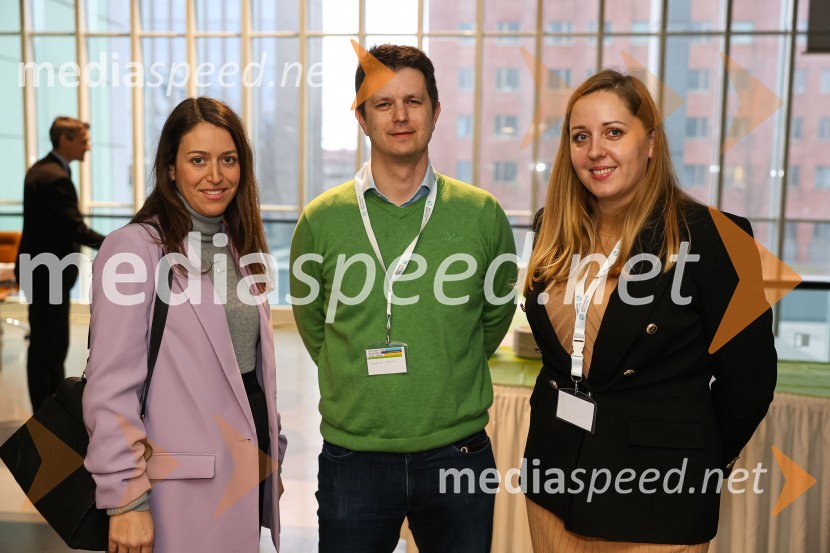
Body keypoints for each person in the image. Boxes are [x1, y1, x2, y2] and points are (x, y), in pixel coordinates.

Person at [522, 69, 777, 551]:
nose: (595, 149)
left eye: (614, 132)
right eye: (581, 136)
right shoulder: (550, 227)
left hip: (657, 500)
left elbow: (751, 381)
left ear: (652, 143)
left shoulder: (721, 238)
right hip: (554, 484)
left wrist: (696, 463)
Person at [289, 44, 518, 552]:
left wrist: (448, 363)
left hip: (458, 452)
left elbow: (496, 310)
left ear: (436, 112)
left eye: (413, 101)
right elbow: (313, 321)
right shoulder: (321, 219)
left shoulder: (482, 215)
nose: (399, 116)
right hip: (355, 455)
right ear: (362, 118)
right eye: (382, 103)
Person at [83, 97, 286, 553]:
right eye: (198, 160)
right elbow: (110, 387)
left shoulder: (239, 246)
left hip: (243, 478)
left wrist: (274, 449)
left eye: (228, 160)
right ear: (171, 169)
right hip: (175, 492)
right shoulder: (135, 251)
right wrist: (126, 500)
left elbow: (249, 372)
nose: (215, 176)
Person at [15, 116, 106, 411]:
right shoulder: (54, 177)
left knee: (51, 344)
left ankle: (49, 412)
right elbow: (74, 228)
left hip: (43, 272)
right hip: (47, 273)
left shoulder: (45, 171)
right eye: (83, 140)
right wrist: (116, 242)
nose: (88, 147)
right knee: (48, 348)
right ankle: (45, 417)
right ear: (65, 140)